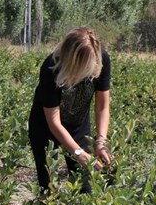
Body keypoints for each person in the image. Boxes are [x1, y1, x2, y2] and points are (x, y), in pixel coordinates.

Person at [28, 27, 113, 193]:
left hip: (78, 123)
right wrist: (78, 152)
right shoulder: (51, 67)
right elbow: (53, 122)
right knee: (48, 186)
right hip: (45, 127)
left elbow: (102, 105)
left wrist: (101, 141)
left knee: (85, 184)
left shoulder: (102, 59)